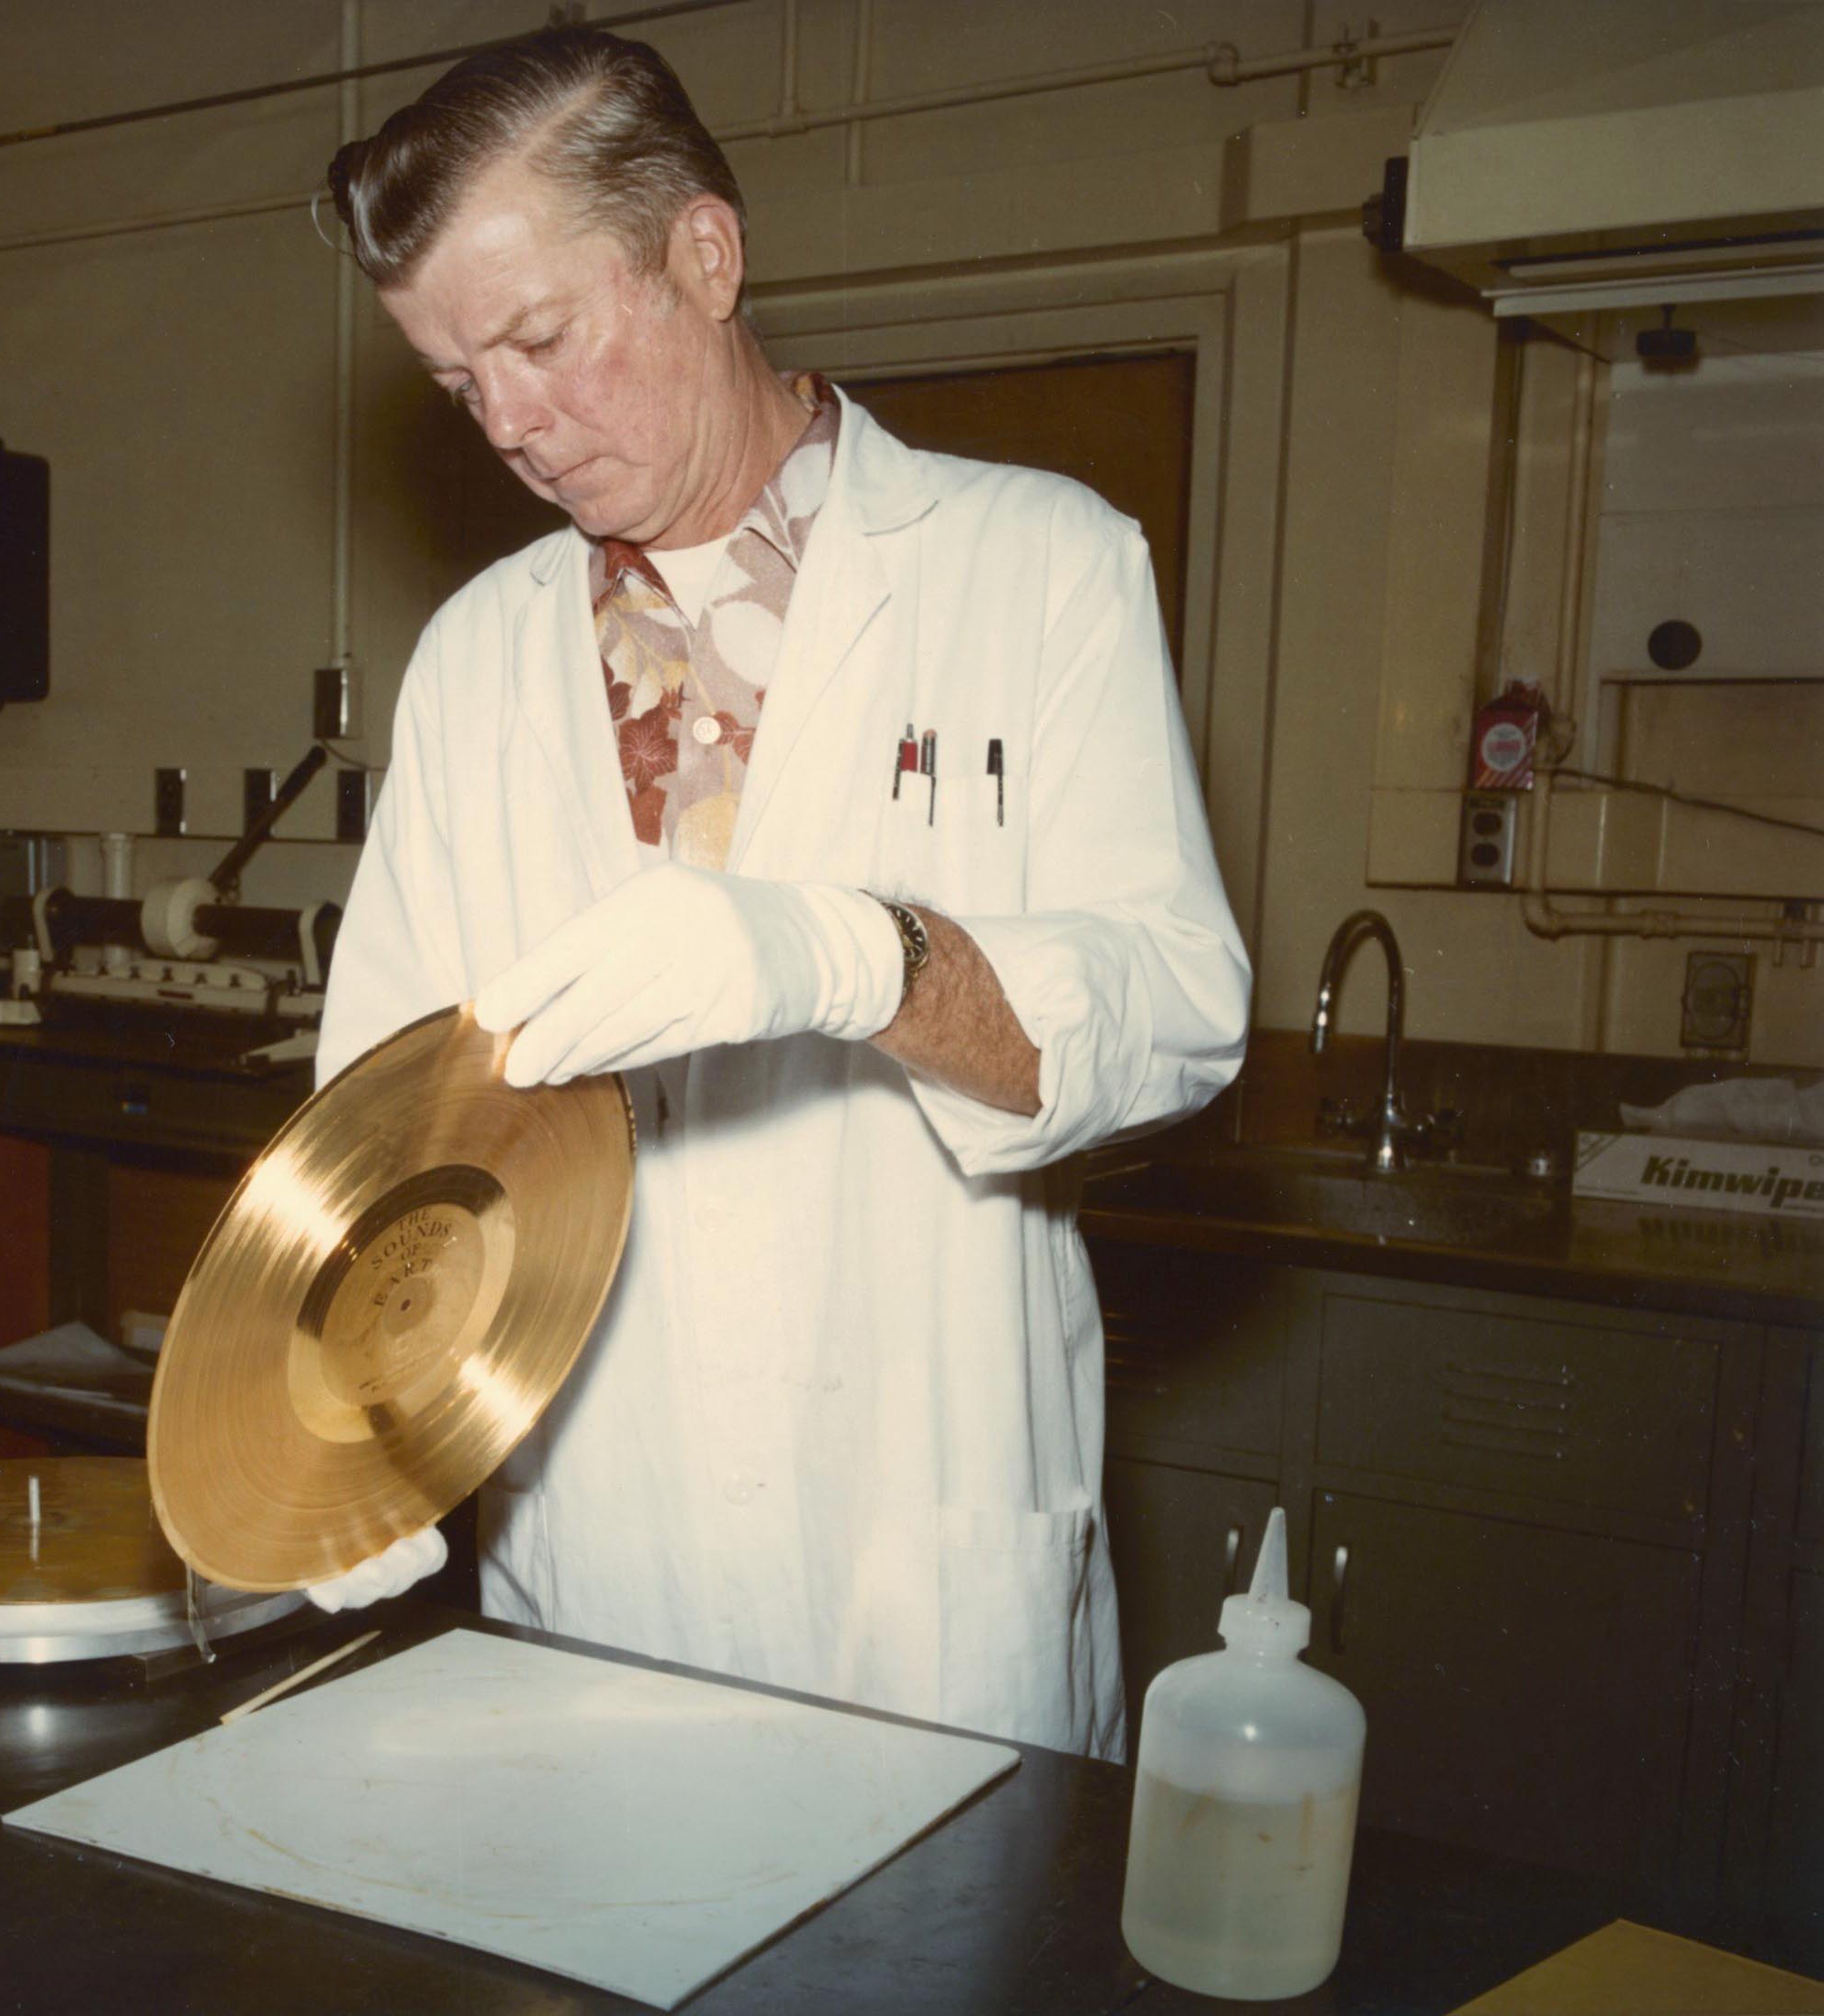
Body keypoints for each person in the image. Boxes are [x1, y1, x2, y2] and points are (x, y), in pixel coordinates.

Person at [308, 26, 1249, 1759]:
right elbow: (384, 1121)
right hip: (598, 1555)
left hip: (919, 1563)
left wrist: (845, 951)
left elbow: (1174, 1022)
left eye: (537, 340)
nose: (509, 423)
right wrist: (355, 1431)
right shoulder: (475, 659)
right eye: (458, 384)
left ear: (704, 255)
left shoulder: (1039, 565)